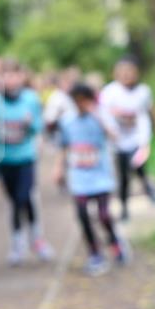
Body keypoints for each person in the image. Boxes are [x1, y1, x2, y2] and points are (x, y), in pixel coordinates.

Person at [0, 58, 54, 265]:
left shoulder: (30, 99)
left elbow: (39, 128)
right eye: (5, 75)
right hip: (3, 160)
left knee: (23, 196)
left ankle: (33, 240)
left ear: (22, 77)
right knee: (16, 201)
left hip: (25, 158)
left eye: (14, 74)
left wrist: (30, 125)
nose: (10, 79)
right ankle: (20, 243)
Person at [55, 84, 131, 276]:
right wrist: (58, 168)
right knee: (82, 215)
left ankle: (115, 242)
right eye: (76, 100)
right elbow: (64, 145)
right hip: (79, 178)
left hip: (100, 176)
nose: (80, 104)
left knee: (104, 214)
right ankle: (95, 253)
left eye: (84, 100)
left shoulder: (100, 117)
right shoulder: (67, 121)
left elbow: (115, 136)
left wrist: (99, 117)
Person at [99, 56, 155, 221]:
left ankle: (148, 187)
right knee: (123, 175)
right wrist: (111, 132)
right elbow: (104, 115)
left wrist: (144, 141)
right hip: (118, 143)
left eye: (129, 71)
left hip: (136, 140)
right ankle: (124, 207)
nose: (126, 75)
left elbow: (144, 116)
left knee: (139, 167)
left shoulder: (143, 92)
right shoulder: (109, 92)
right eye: (122, 71)